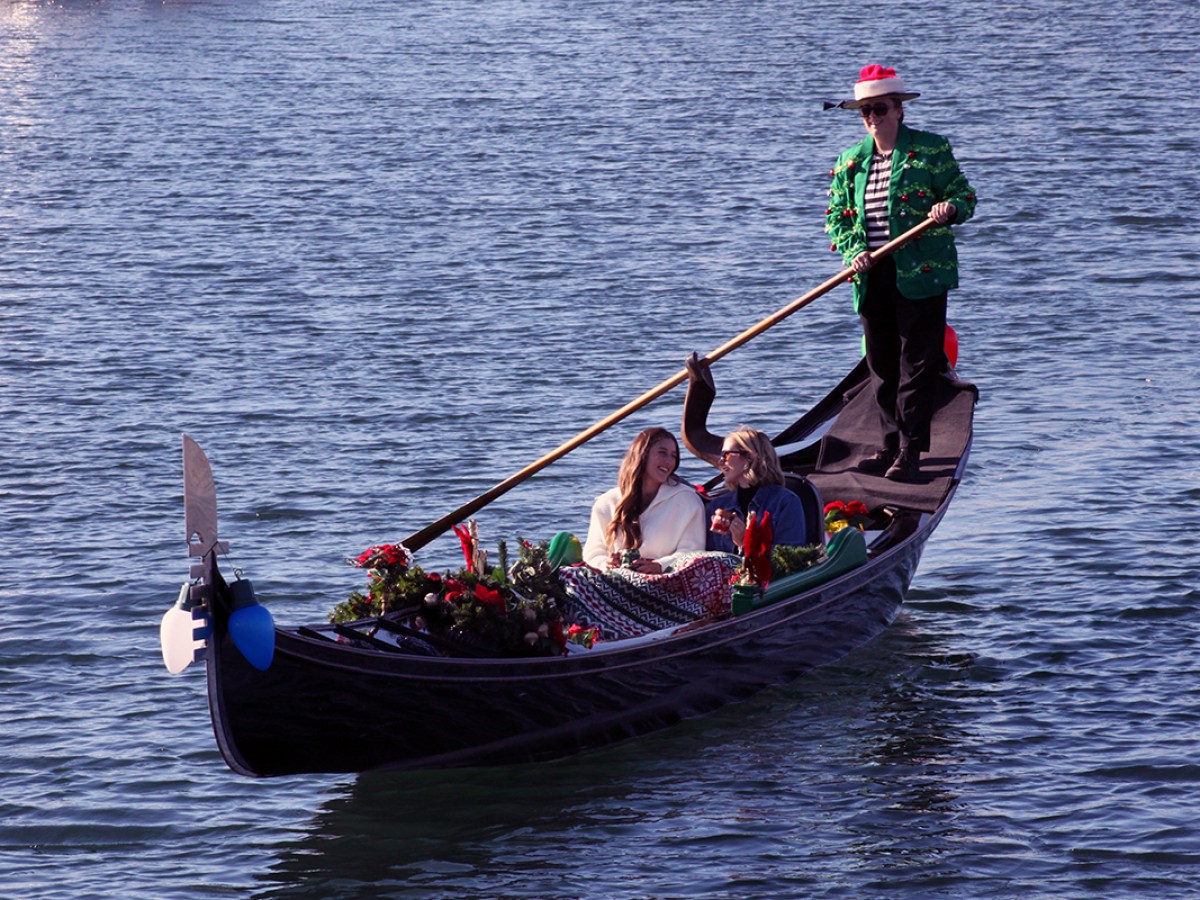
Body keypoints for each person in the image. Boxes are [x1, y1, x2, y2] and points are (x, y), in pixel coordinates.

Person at [825, 64, 976, 481]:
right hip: (872, 273)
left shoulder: (929, 150)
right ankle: (889, 444)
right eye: (865, 111)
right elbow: (837, 217)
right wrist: (854, 250)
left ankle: (910, 452)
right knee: (881, 363)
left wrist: (948, 210)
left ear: (898, 111)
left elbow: (964, 195)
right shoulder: (849, 162)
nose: (872, 117)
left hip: (922, 271)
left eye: (879, 109)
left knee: (917, 363)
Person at [680, 354, 810, 554]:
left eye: (727, 455)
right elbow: (705, 556)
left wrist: (744, 543)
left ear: (749, 458)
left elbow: (791, 558)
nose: (720, 461)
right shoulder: (718, 506)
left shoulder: (785, 502)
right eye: (721, 455)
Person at [581, 427, 706, 575]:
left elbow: (693, 552)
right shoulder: (606, 503)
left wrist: (660, 565)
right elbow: (593, 553)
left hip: (666, 581)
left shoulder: (687, 500)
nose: (669, 461)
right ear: (643, 454)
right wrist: (605, 563)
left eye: (673, 456)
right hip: (615, 580)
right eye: (662, 453)